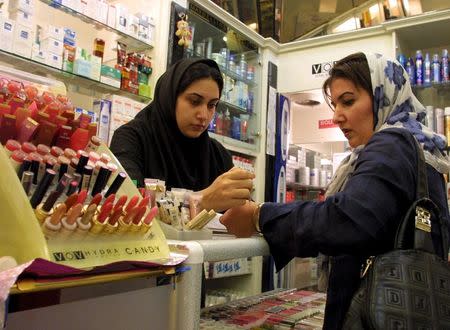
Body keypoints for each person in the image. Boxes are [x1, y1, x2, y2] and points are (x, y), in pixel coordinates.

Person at [220, 52, 450, 329]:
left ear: (383, 96)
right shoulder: (423, 151)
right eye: (335, 103)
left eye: (349, 101)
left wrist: (260, 215)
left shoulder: (391, 144)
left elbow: (346, 219)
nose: (337, 116)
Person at [110, 58, 254, 212]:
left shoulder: (217, 154)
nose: (204, 115)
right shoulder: (131, 138)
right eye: (194, 101)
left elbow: (244, 211)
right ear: (170, 97)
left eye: (212, 105)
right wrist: (202, 200)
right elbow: (128, 203)